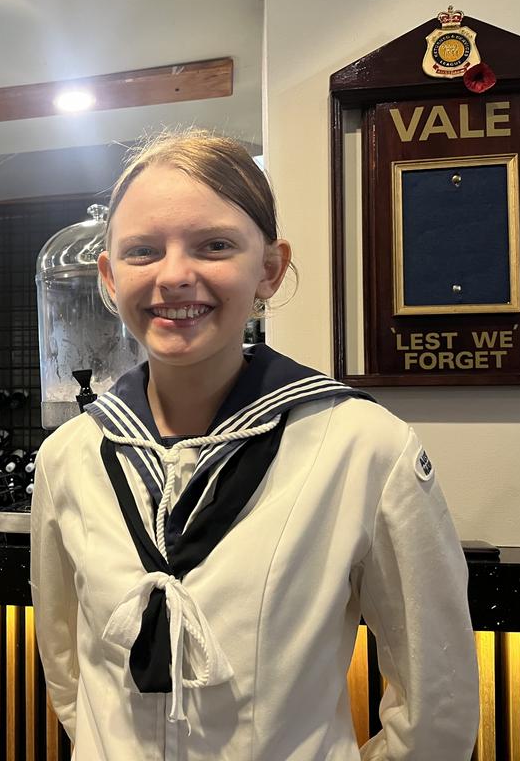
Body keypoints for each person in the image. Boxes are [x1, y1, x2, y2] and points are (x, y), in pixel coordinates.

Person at [30, 130, 478, 760]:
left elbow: (438, 706)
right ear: (108, 276)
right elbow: (69, 670)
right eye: (142, 251)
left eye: (214, 246)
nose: (175, 275)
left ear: (268, 268)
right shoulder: (71, 456)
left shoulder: (363, 448)